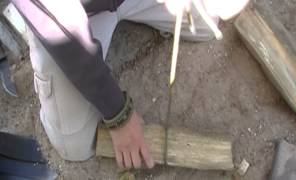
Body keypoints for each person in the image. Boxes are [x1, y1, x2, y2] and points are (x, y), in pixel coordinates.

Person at [10, 0, 249, 170]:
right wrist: (117, 114)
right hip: (68, 14)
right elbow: (61, 24)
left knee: (208, 21)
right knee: (75, 145)